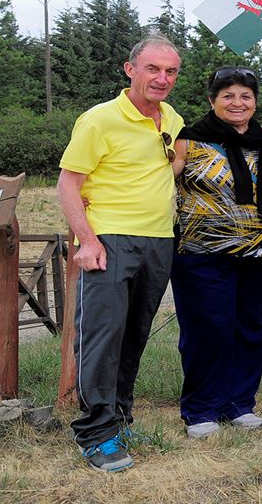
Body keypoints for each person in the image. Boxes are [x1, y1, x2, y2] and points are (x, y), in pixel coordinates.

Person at [57, 35, 184, 473]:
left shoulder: (171, 118)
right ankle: (95, 435)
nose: (162, 78)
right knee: (102, 335)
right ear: (130, 69)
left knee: (134, 334)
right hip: (110, 239)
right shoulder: (100, 119)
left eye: (170, 71)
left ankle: (119, 420)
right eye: (153, 69)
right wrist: (87, 240)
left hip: (159, 239)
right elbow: (67, 183)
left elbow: (173, 161)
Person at [168, 67, 262, 439]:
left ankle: (239, 404)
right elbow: (158, 182)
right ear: (212, 100)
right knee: (207, 330)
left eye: (245, 96)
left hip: (260, 252)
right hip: (202, 253)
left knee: (253, 329)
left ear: (255, 102)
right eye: (228, 96)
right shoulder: (189, 139)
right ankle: (201, 409)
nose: (237, 103)